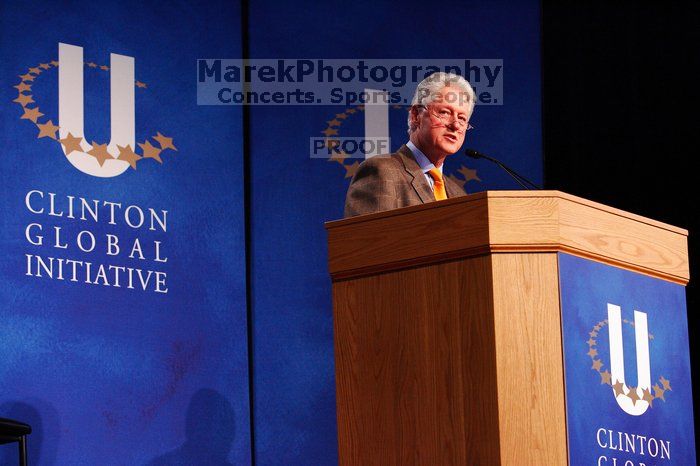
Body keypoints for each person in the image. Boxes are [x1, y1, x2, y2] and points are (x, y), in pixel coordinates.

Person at [344, 72, 476, 218]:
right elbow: (368, 239)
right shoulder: (382, 172)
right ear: (416, 116)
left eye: (462, 118)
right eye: (445, 112)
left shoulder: (458, 194)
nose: (456, 125)